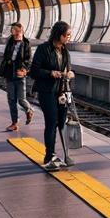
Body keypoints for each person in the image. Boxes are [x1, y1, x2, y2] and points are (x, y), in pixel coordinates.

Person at [29, 21, 75, 170]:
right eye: (66, 35)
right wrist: (51, 73)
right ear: (59, 34)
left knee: (62, 122)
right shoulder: (44, 49)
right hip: (47, 91)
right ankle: (49, 156)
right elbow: (34, 71)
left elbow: (68, 67)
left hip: (64, 91)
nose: (69, 37)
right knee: (52, 121)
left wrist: (70, 73)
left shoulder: (65, 51)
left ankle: (63, 155)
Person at [0, 21, 33, 131]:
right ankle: (14, 123)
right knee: (11, 100)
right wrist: (7, 62)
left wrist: (25, 69)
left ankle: (29, 110)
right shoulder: (10, 42)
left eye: (18, 31)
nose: (16, 33)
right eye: (14, 31)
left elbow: (28, 59)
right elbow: (6, 55)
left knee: (21, 99)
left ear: (22, 31)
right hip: (9, 74)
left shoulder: (26, 43)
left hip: (20, 74)